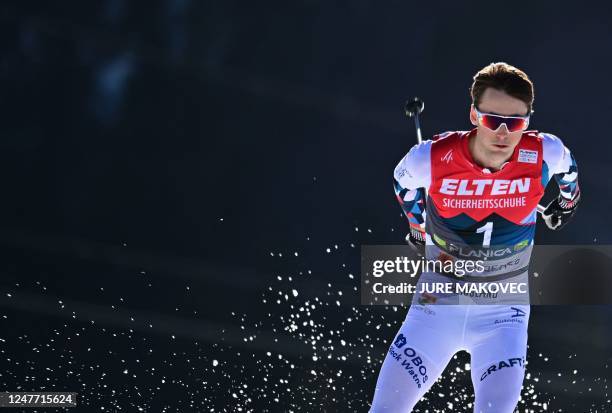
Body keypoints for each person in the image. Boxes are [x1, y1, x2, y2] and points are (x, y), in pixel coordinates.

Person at [370, 62, 580, 412]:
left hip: (503, 318)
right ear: (473, 114)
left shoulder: (545, 152)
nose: (502, 133)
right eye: (491, 119)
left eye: (514, 123)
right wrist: (418, 227)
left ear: (527, 121)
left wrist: (567, 203)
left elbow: (570, 171)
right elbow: (402, 181)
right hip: (436, 309)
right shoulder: (432, 158)